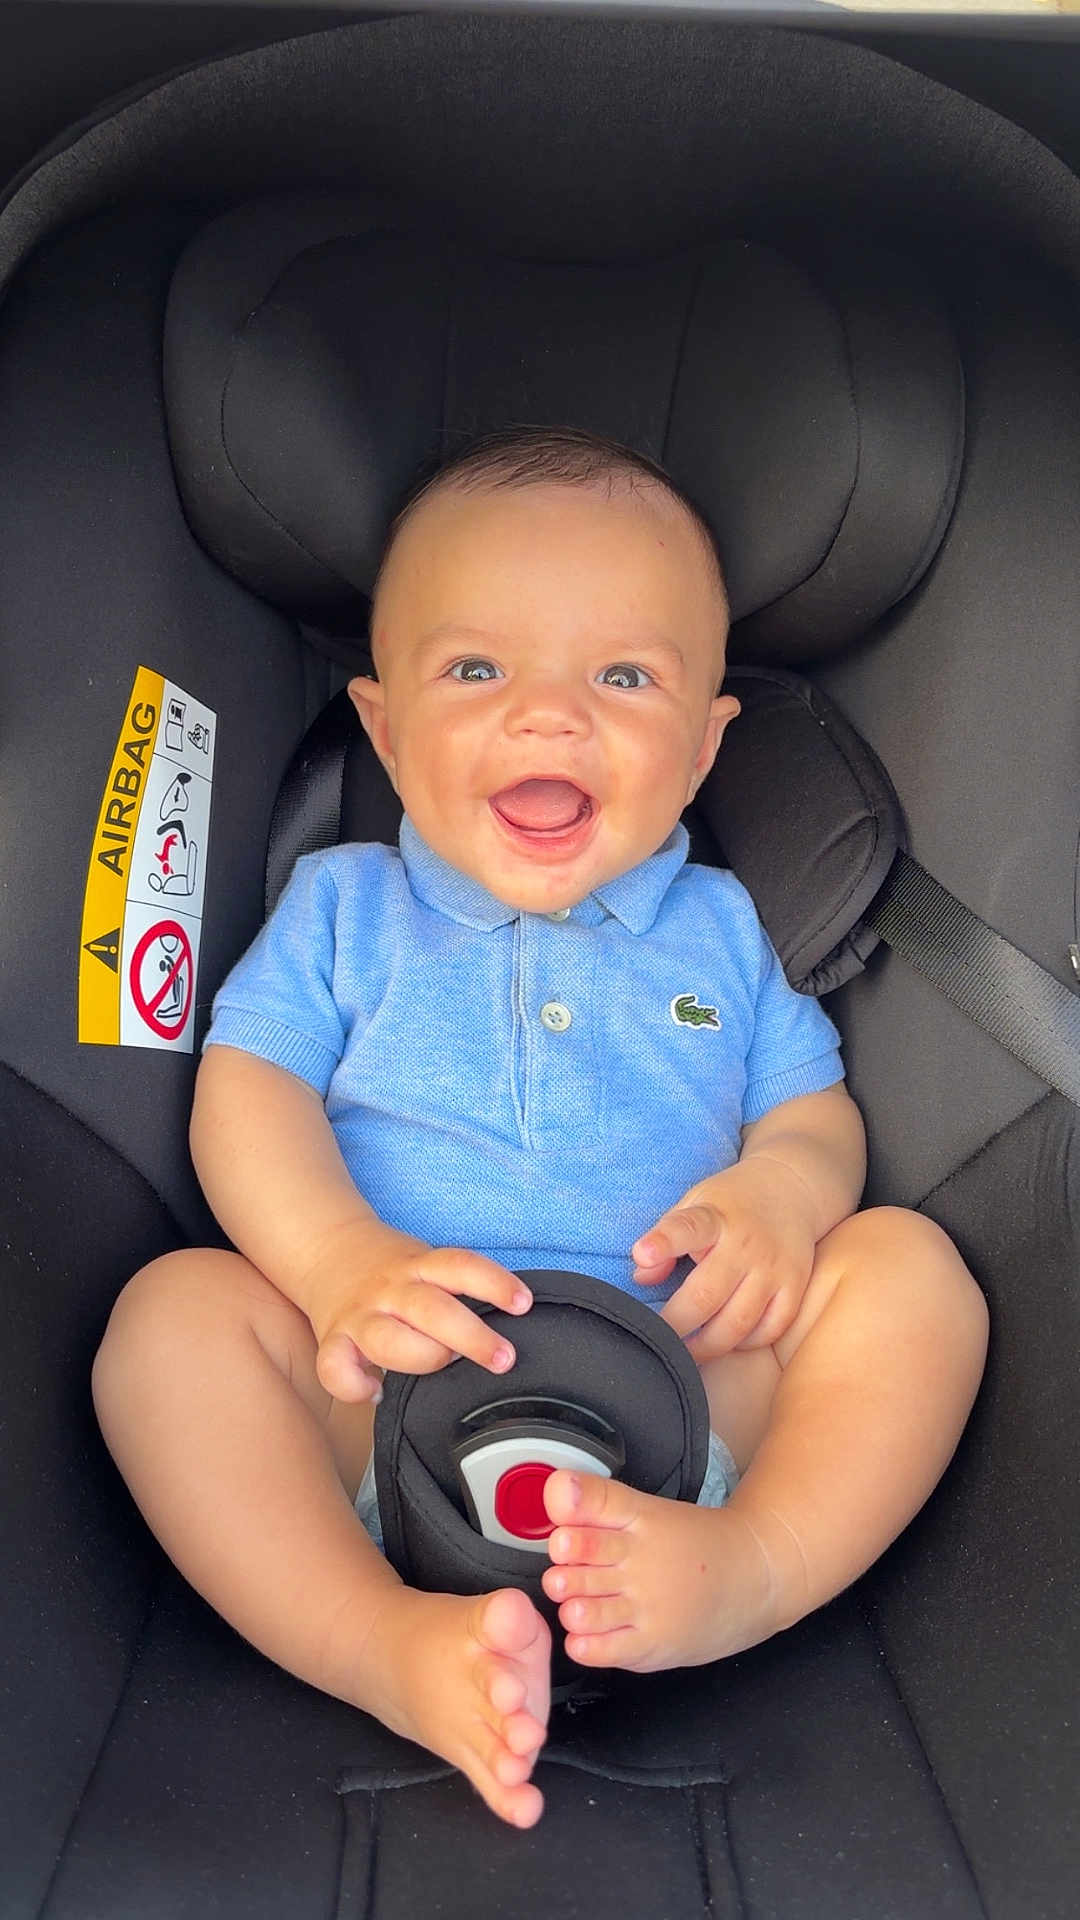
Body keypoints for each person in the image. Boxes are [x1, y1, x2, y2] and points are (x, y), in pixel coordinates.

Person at [92, 424, 989, 1834]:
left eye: (623, 677)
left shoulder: (725, 931)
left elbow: (811, 1115)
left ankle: (750, 1568)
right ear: (383, 728)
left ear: (702, 747)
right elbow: (248, 1092)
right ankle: (382, 1644)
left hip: (690, 1392)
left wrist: (779, 1196)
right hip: (372, 1400)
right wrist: (338, 1265)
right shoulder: (344, 911)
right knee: (169, 1326)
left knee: (911, 1277)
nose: (552, 718)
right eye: (477, 670)